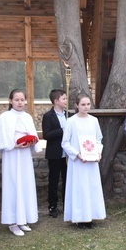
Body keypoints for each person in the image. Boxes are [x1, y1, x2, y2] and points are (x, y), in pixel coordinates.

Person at [0, 89, 41, 236]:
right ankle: (13, 222)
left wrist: (32, 143)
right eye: (17, 99)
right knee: (13, 185)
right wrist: (13, 145)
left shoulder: (27, 117)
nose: (20, 102)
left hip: (24, 155)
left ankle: (23, 219)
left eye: (22, 100)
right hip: (12, 155)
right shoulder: (4, 117)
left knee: (25, 184)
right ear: (10, 101)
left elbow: (33, 135)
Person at [61, 93, 106, 228]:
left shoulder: (94, 120)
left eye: (88, 104)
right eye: (83, 104)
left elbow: (98, 139)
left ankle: (90, 216)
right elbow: (65, 142)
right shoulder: (71, 121)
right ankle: (79, 218)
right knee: (79, 188)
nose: (86, 107)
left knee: (91, 187)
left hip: (91, 162)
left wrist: (98, 152)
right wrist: (77, 154)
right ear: (76, 105)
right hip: (78, 162)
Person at [42, 89, 70, 218]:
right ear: (56, 101)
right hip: (55, 153)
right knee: (53, 180)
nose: (66, 101)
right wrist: (62, 130)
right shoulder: (48, 116)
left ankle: (67, 204)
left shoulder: (68, 115)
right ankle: (52, 206)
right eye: (63, 98)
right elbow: (46, 134)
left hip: (68, 154)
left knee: (67, 180)